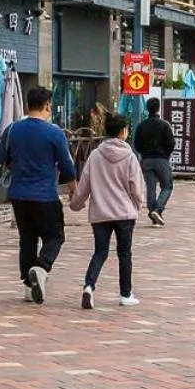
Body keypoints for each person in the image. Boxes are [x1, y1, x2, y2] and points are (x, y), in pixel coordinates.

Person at [0, 86, 78, 304]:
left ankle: (27, 286)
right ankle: (41, 269)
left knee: (27, 239)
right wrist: (73, 190)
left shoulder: (12, 130)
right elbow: (67, 166)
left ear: (26, 105)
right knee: (55, 236)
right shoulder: (54, 133)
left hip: (19, 195)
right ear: (48, 106)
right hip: (45, 195)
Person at [70, 113, 147, 309]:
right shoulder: (130, 157)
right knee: (124, 253)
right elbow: (136, 187)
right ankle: (125, 294)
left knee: (100, 252)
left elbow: (84, 185)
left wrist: (76, 204)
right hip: (124, 214)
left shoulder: (95, 155)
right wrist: (138, 204)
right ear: (123, 131)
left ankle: (89, 286)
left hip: (100, 213)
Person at [132, 97, 175, 226]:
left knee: (150, 188)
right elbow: (171, 143)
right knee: (167, 186)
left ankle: (153, 213)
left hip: (146, 160)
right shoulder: (164, 125)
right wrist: (166, 154)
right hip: (161, 159)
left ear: (147, 108)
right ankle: (158, 209)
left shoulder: (141, 126)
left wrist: (144, 153)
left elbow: (136, 144)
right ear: (158, 108)